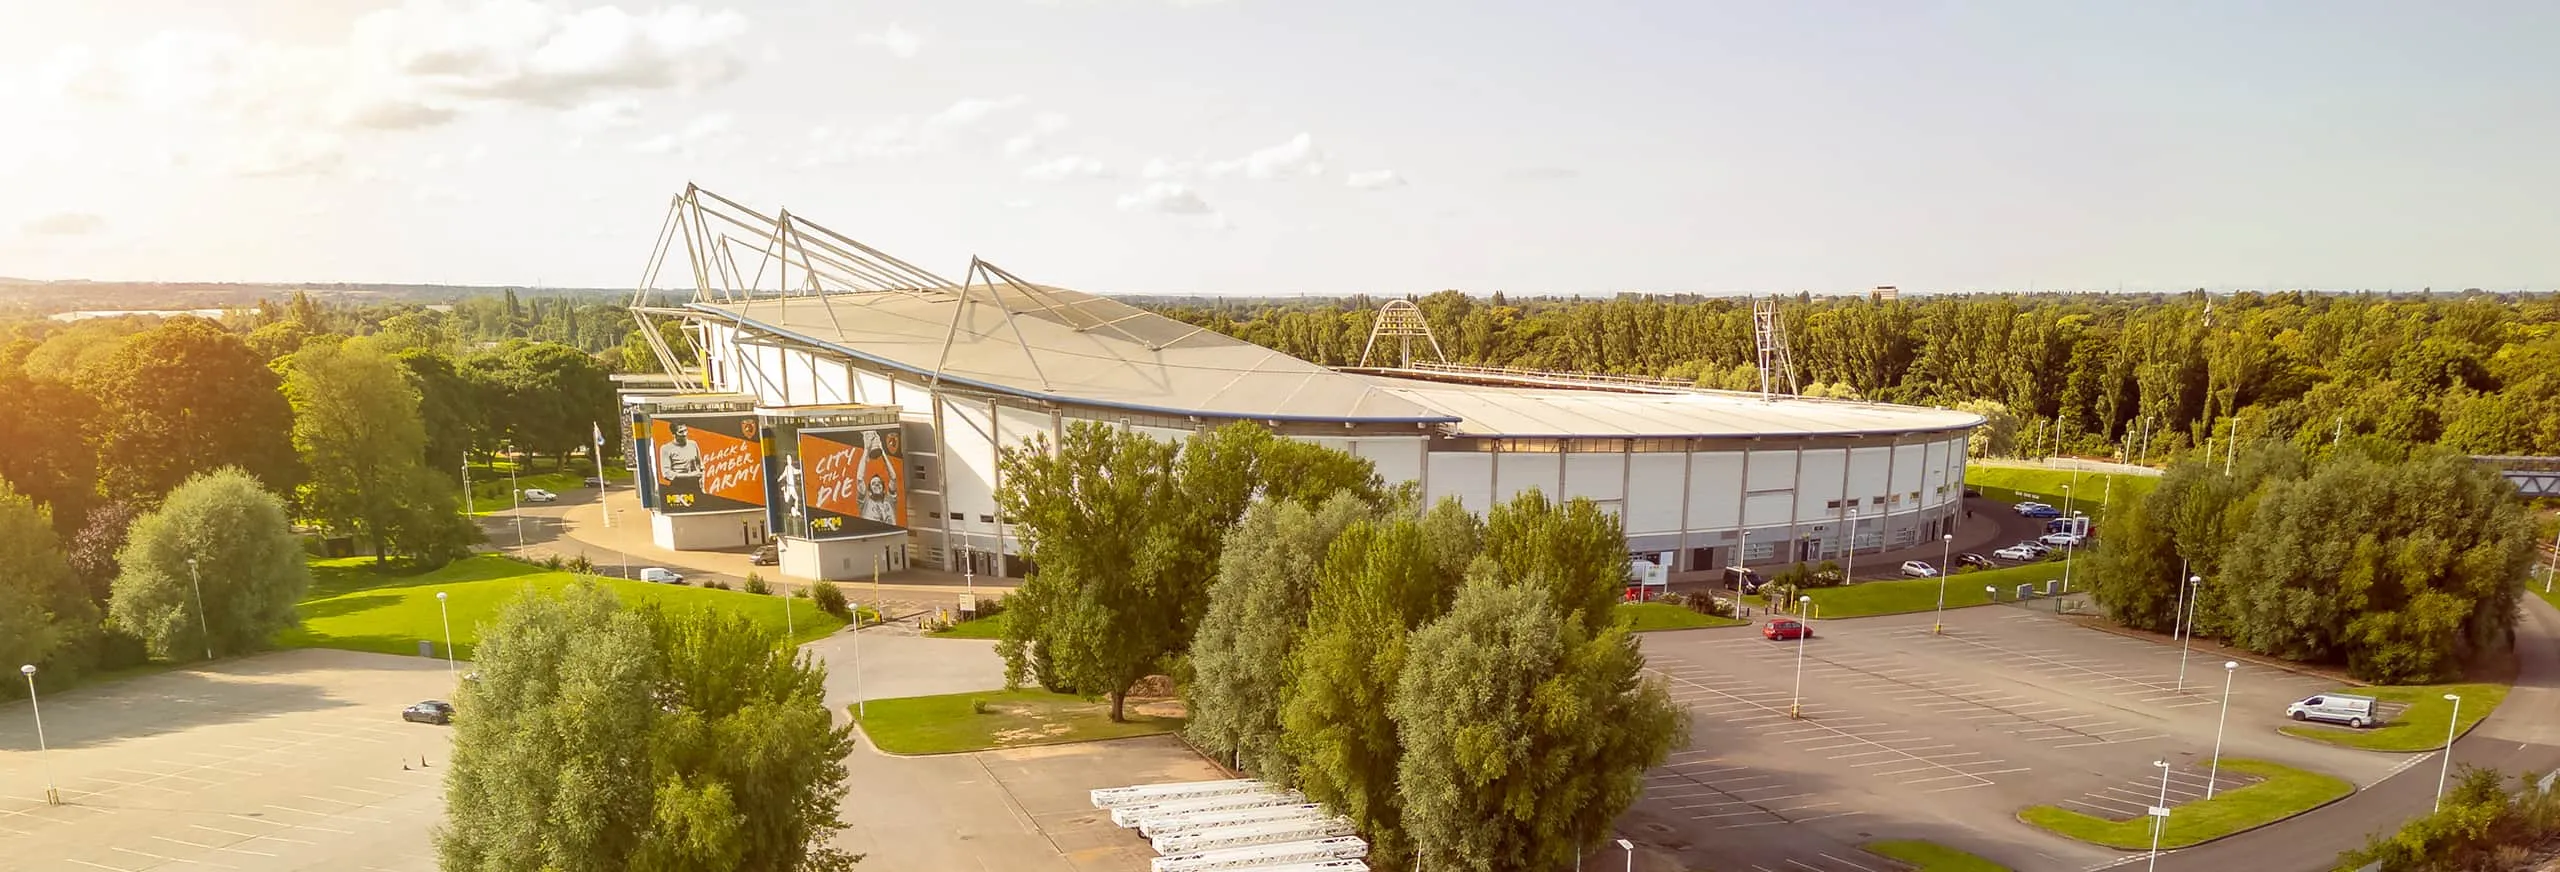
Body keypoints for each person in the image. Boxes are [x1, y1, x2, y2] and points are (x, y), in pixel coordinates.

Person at [658, 422, 703, 506]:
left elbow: (700, 465)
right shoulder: (666, 449)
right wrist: (690, 475)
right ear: (673, 434)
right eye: (681, 432)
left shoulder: (693, 444)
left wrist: (701, 484)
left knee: (699, 507)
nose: (685, 434)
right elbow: (666, 473)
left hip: (695, 485)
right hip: (678, 486)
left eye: (686, 430)